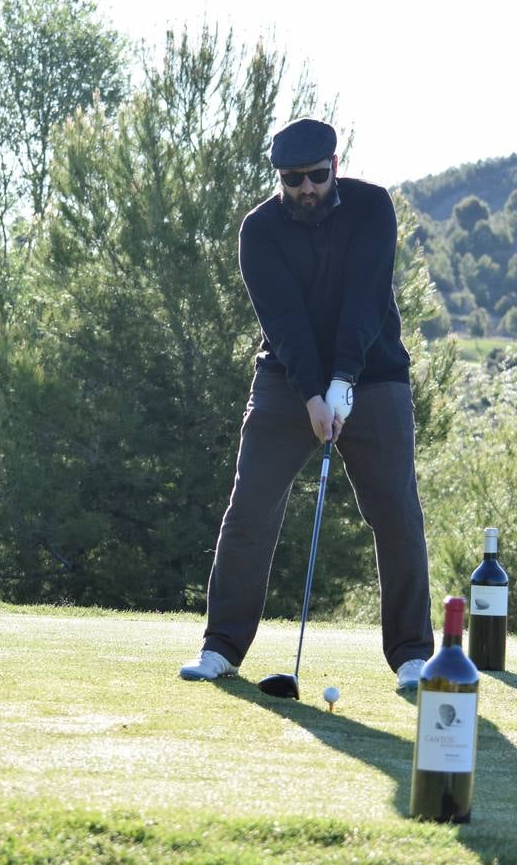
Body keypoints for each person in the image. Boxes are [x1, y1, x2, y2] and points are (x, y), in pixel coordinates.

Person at [179, 117, 434, 690]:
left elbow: (365, 303)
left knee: (396, 512)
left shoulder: (372, 209)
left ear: (334, 168)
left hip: (375, 374)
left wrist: (343, 383)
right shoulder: (260, 231)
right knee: (250, 507)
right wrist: (315, 395)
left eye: (317, 176)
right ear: (280, 179)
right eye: (294, 180)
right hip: (287, 380)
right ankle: (221, 647)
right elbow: (285, 323)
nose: (307, 189)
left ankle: (413, 656)